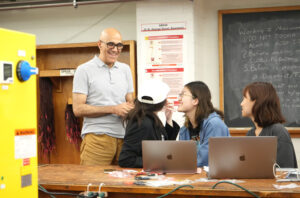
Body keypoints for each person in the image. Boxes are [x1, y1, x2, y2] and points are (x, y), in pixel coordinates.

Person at [72, 28, 134, 165]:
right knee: (93, 184)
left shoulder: (125, 70)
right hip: (96, 139)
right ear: (100, 44)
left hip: (124, 139)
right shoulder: (84, 70)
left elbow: (130, 101)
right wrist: (113, 109)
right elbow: (78, 109)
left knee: (122, 185)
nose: (115, 49)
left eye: (119, 45)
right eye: (111, 44)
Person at [118, 79, 179, 168]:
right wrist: (158, 161)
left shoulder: (150, 118)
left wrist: (168, 119)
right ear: (161, 103)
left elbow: (164, 146)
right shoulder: (143, 123)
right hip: (145, 175)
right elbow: (126, 159)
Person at [241, 82, 298, 168]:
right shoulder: (250, 134)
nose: (241, 103)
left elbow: (285, 173)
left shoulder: (278, 132)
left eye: (245, 98)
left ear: (257, 102)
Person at [177, 81, 230, 167]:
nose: (179, 99)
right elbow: (182, 158)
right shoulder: (184, 130)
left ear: (195, 101)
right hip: (194, 177)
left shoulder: (214, 124)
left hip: (215, 178)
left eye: (183, 94)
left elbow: (206, 160)